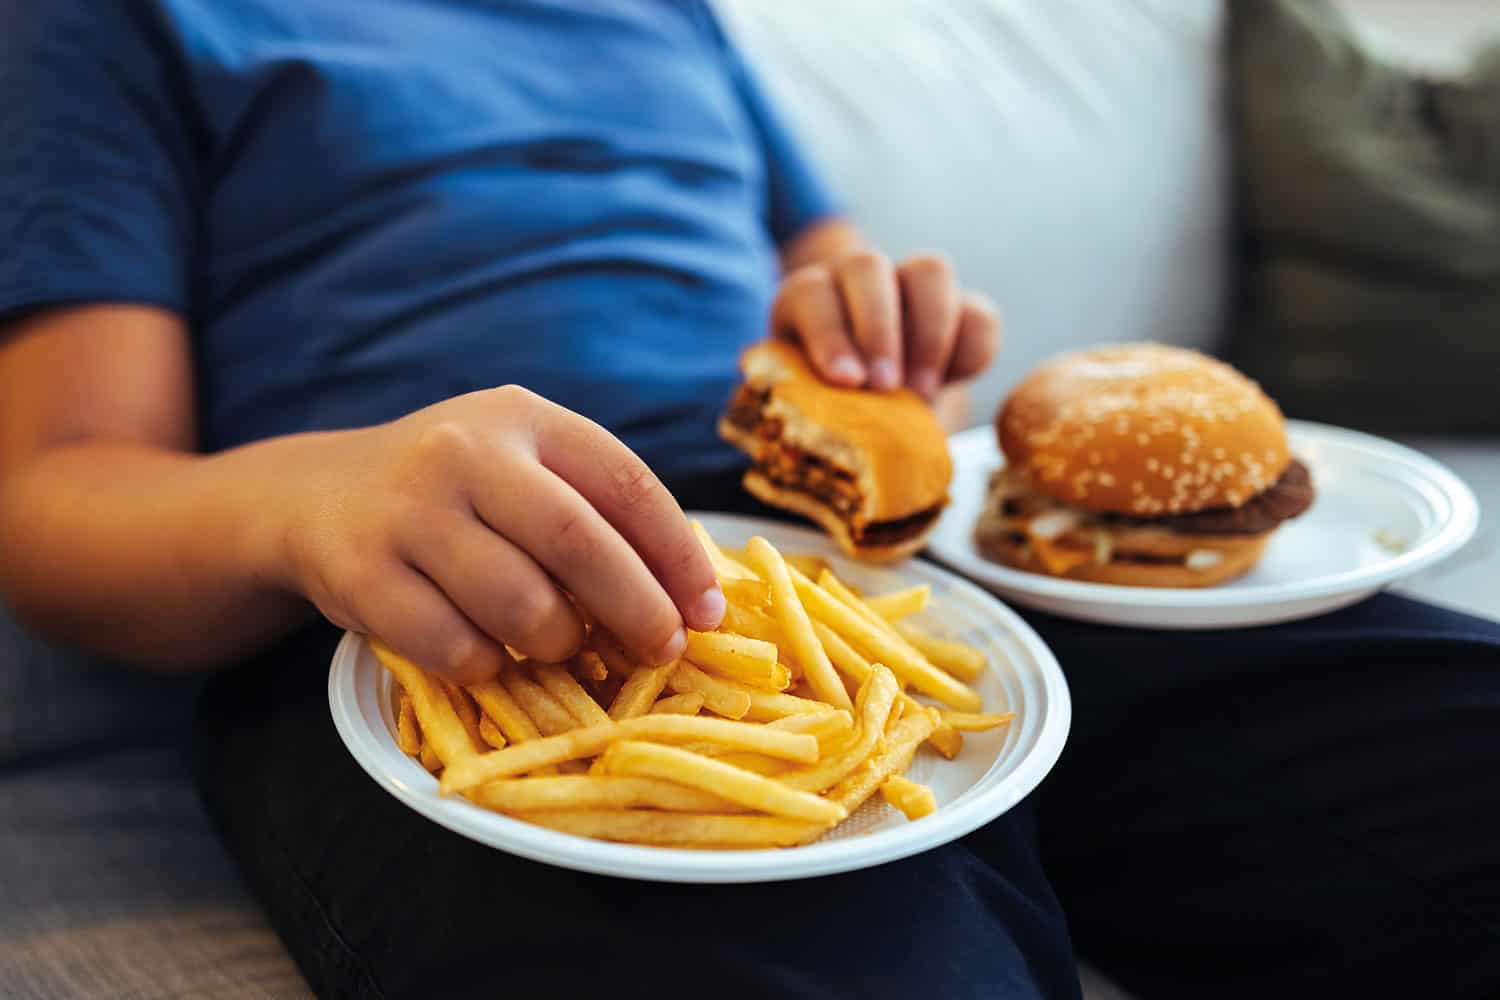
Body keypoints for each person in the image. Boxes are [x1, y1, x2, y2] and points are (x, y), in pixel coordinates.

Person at [1, 3, 1496, 999]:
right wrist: (310, 498)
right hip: (432, 603)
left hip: (861, 571)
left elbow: (846, 312)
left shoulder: (666, 13)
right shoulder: (106, 24)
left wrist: (888, 353)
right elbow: (57, 501)